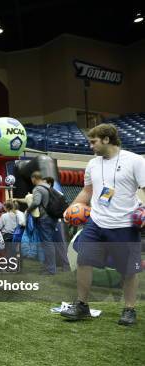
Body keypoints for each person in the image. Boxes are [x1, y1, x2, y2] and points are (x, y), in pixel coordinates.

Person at [61, 124, 145, 325]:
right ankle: (82, 305)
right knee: (83, 261)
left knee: (128, 270)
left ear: (106, 139)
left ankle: (129, 309)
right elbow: (87, 191)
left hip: (125, 224)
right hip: (96, 222)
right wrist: (70, 208)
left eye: (93, 141)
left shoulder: (135, 161)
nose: (91, 146)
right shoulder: (92, 164)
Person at [26, 171, 57, 275]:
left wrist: (28, 210)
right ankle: (49, 266)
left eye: (32, 179)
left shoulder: (38, 188)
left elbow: (36, 202)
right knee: (49, 242)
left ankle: (50, 269)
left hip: (44, 218)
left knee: (47, 243)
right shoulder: (48, 187)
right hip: (52, 218)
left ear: (34, 178)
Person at [43, 176, 71, 271]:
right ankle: (50, 266)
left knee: (59, 245)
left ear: (49, 183)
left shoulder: (57, 194)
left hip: (55, 222)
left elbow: (65, 208)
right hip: (48, 222)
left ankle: (66, 265)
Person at [0, 201, 19, 269]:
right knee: (14, 251)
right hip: (15, 235)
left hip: (6, 235)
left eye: (4, 207)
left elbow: (0, 226)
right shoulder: (16, 215)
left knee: (8, 252)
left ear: (6, 207)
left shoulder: (4, 215)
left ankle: (9, 267)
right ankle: (14, 266)